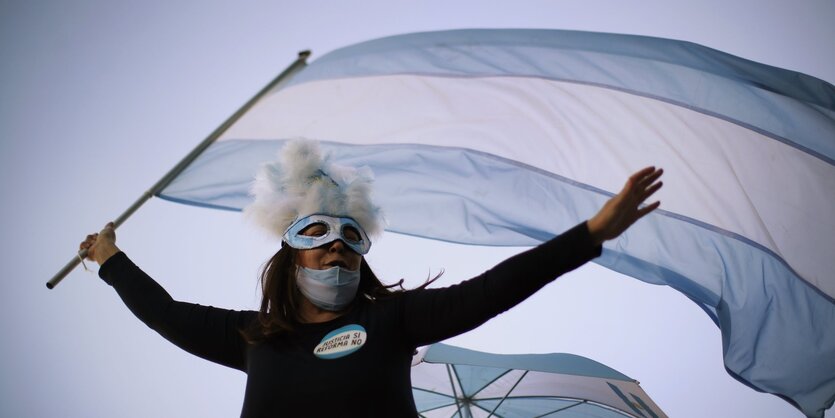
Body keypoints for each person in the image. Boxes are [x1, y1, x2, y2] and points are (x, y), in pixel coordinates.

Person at [81, 140, 663, 417]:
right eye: (316, 235)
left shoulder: (392, 319)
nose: (337, 246)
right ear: (290, 256)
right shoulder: (251, 338)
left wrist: (589, 233)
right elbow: (166, 313)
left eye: (351, 240)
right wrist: (111, 260)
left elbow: (493, 290)